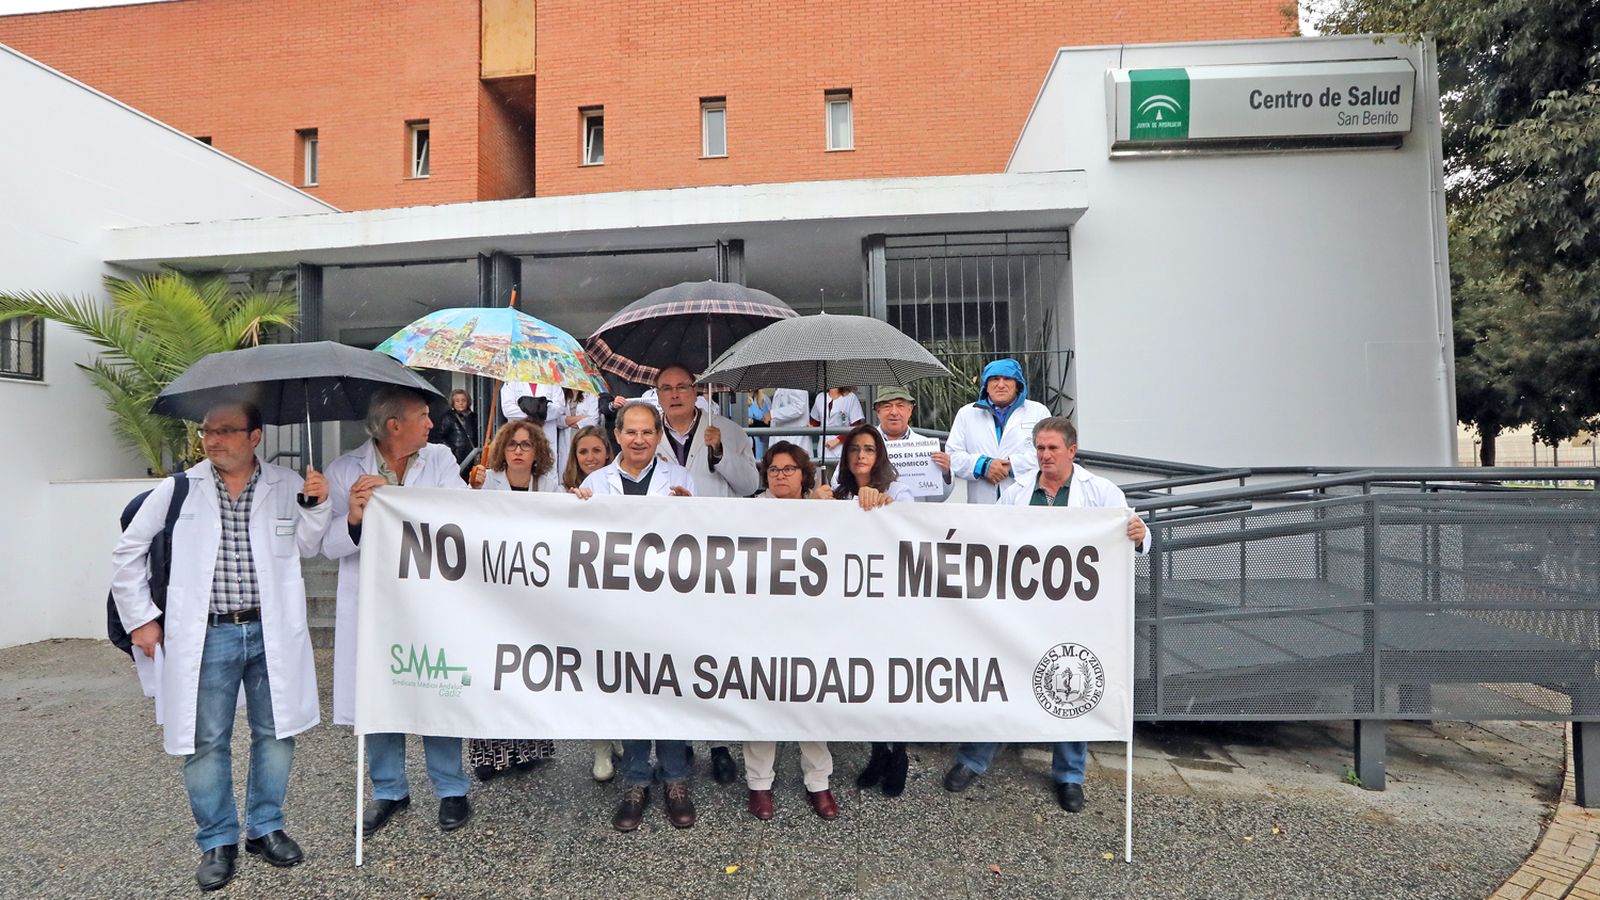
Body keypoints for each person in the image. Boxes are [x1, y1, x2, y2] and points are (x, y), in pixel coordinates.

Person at [110, 401, 331, 891]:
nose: (213, 440)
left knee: (274, 733)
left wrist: (318, 505)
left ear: (255, 436)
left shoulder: (288, 485)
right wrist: (142, 620)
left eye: (227, 431)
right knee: (204, 740)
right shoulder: (179, 489)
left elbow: (311, 545)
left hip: (270, 630)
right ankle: (217, 840)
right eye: (209, 431)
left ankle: (266, 828)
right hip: (207, 634)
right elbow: (127, 552)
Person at [942, 416, 1148, 812]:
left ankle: (1069, 776)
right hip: (1022, 610)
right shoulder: (1018, 491)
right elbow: (993, 537)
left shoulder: (1101, 492)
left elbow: (1135, 533)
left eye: (1053, 448)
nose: (1045, 455)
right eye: (1039, 448)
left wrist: (1140, 534)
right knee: (1003, 681)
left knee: (1071, 690)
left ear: (1072, 450)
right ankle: (973, 759)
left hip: (1076, 613)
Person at [323, 386, 474, 837]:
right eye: (423, 416)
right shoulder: (344, 470)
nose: (432, 424)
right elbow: (327, 546)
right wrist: (352, 516)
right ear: (394, 426)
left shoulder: (441, 460)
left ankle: (451, 789)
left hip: (429, 600)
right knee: (379, 692)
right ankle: (389, 791)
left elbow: (460, 515)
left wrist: (474, 492)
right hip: (373, 603)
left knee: (437, 684)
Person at [572, 400, 698, 831]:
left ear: (659, 437)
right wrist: (578, 507)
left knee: (669, 689)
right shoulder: (596, 481)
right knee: (630, 690)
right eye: (631, 432)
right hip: (619, 610)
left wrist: (693, 511)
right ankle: (637, 780)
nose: (640, 439)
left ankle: (676, 779)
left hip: (669, 607)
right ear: (618, 436)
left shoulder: (680, 480)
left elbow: (704, 541)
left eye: (648, 432)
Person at [651, 364, 759, 784]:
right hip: (662, 559)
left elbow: (750, 484)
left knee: (712, 651)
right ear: (656, 395)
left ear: (698, 391)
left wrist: (718, 453)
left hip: (716, 553)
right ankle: (679, 743)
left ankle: (718, 744)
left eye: (683, 386)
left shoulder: (727, 430)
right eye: (666, 388)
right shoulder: (644, 432)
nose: (675, 394)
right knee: (672, 651)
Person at [744, 440, 838, 820]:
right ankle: (759, 784)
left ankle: (819, 782)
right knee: (761, 700)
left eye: (789, 469)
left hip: (810, 621)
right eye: (773, 470)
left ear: (805, 474)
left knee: (810, 702)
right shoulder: (750, 509)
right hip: (762, 620)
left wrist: (828, 514)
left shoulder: (825, 508)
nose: (780, 476)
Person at [467, 419, 559, 780]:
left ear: (538, 452)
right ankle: (488, 755)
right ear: (501, 450)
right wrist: (470, 493)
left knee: (528, 673)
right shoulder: (484, 483)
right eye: (512, 445)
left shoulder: (551, 487)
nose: (519, 450)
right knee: (490, 673)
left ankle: (526, 750)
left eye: (526, 445)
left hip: (534, 598)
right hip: (492, 594)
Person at [828, 423, 915, 799]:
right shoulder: (837, 493)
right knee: (865, 679)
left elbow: (912, 527)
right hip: (850, 601)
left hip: (891, 602)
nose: (861, 456)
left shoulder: (899, 490)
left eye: (868, 449)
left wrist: (884, 504)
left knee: (892, 678)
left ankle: (900, 755)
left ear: (879, 455)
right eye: (854, 450)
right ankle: (877, 751)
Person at [559, 424, 625, 783]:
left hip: (618, 591)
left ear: (607, 452)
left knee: (619, 672)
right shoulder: (563, 490)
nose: (590, 458)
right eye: (583, 452)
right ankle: (601, 746)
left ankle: (618, 734)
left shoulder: (615, 482)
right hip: (583, 595)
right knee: (594, 674)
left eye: (596, 451)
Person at [945, 358, 1051, 504]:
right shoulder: (966, 414)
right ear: (986, 386)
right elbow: (953, 456)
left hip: (1026, 502)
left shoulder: (1038, 412)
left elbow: (1048, 454)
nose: (1001, 385)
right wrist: (983, 466)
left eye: (1007, 378)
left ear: (1018, 385)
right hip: (982, 504)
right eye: (994, 379)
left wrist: (1012, 466)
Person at [872, 386, 952, 502]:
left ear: (910, 410)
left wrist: (945, 473)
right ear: (878, 412)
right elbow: (841, 484)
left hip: (914, 517)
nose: (894, 412)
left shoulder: (926, 447)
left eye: (900, 406)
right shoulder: (862, 445)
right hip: (875, 516)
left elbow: (939, 498)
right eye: (887, 406)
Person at [500, 381, 568, 476]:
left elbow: (558, 408)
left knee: (547, 475)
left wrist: (528, 408)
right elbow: (508, 410)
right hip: (520, 439)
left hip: (546, 436)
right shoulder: (511, 382)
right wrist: (540, 410)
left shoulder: (553, 382)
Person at [809, 386, 865, 468]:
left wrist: (838, 440)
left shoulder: (850, 397)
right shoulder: (820, 397)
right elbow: (815, 422)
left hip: (842, 449)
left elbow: (856, 426)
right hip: (824, 450)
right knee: (826, 478)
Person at [429, 388, 479, 465]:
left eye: (463, 400)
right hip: (457, 456)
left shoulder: (474, 417)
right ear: (453, 403)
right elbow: (440, 436)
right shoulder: (449, 417)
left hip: (472, 454)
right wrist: (452, 449)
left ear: (468, 402)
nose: (461, 403)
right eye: (457, 401)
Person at [768, 387, 811, 453]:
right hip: (783, 439)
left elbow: (799, 407)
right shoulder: (784, 385)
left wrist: (773, 414)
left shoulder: (796, 381)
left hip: (794, 440)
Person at [745, 389, 771, 458]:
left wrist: (752, 421)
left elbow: (766, 423)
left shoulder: (764, 399)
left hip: (759, 446)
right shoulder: (735, 398)